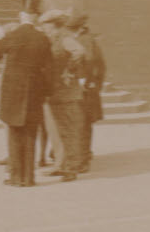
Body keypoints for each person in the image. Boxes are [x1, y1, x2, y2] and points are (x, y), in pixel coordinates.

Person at [0, 0, 52, 187]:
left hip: (13, 94)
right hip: (34, 92)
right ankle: (28, 178)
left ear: (21, 15)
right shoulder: (42, 38)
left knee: (15, 133)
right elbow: (49, 68)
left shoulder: (13, 35)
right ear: (36, 16)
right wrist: (46, 92)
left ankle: (16, 177)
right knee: (31, 134)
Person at [40, 9, 86, 182]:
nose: (44, 28)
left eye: (47, 25)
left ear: (54, 24)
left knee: (68, 130)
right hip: (54, 94)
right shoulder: (52, 39)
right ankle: (60, 165)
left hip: (66, 94)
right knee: (56, 131)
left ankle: (71, 168)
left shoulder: (65, 38)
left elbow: (80, 52)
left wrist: (69, 70)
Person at [67, 13, 106, 172]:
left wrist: (84, 80)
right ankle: (84, 155)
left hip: (84, 88)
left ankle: (82, 160)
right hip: (89, 87)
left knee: (81, 124)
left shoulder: (84, 40)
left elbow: (90, 62)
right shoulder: (88, 39)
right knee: (83, 124)